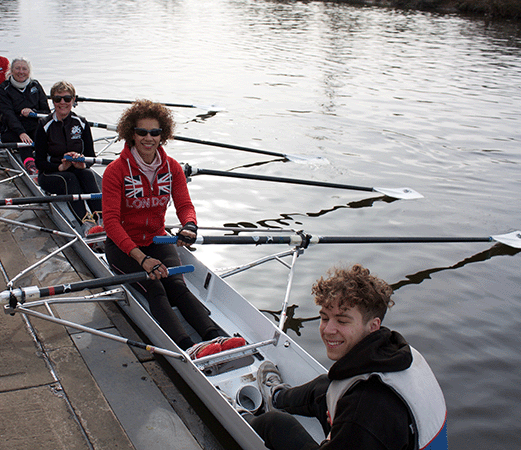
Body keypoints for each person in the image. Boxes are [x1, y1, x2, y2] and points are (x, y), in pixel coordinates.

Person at [246, 264, 448, 450]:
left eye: (342, 321)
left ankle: (240, 418)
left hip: (366, 428)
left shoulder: (362, 411)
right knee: (326, 387)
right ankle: (277, 397)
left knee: (275, 424)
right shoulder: (404, 354)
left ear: (373, 326)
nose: (328, 330)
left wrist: (344, 430)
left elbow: (365, 418)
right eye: (324, 317)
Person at [101, 99, 244, 357]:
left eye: (155, 132)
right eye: (142, 132)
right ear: (131, 134)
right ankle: (187, 347)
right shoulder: (115, 171)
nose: (148, 138)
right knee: (155, 288)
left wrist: (189, 225)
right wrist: (142, 259)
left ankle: (217, 339)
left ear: (162, 135)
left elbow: (185, 205)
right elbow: (110, 222)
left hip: (157, 239)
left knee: (177, 287)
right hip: (123, 247)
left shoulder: (172, 168)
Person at [34, 81, 101, 225]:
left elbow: (91, 157)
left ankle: (102, 219)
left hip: (76, 170)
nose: (62, 103)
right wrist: (59, 167)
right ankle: (86, 225)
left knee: (88, 174)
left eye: (67, 99)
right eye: (58, 99)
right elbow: (39, 162)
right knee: (69, 178)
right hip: (50, 174)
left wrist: (83, 164)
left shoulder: (81, 123)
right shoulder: (44, 125)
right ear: (53, 101)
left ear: (73, 100)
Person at [0, 57, 50, 178]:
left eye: (24, 69)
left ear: (28, 71)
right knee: (26, 142)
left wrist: (33, 112)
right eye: (17, 68)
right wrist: (21, 133)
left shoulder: (35, 85)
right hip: (12, 129)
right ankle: (31, 167)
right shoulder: (4, 89)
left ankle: (49, 161)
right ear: (11, 71)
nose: (21, 72)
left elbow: (46, 111)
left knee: (44, 135)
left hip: (33, 126)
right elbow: (8, 114)